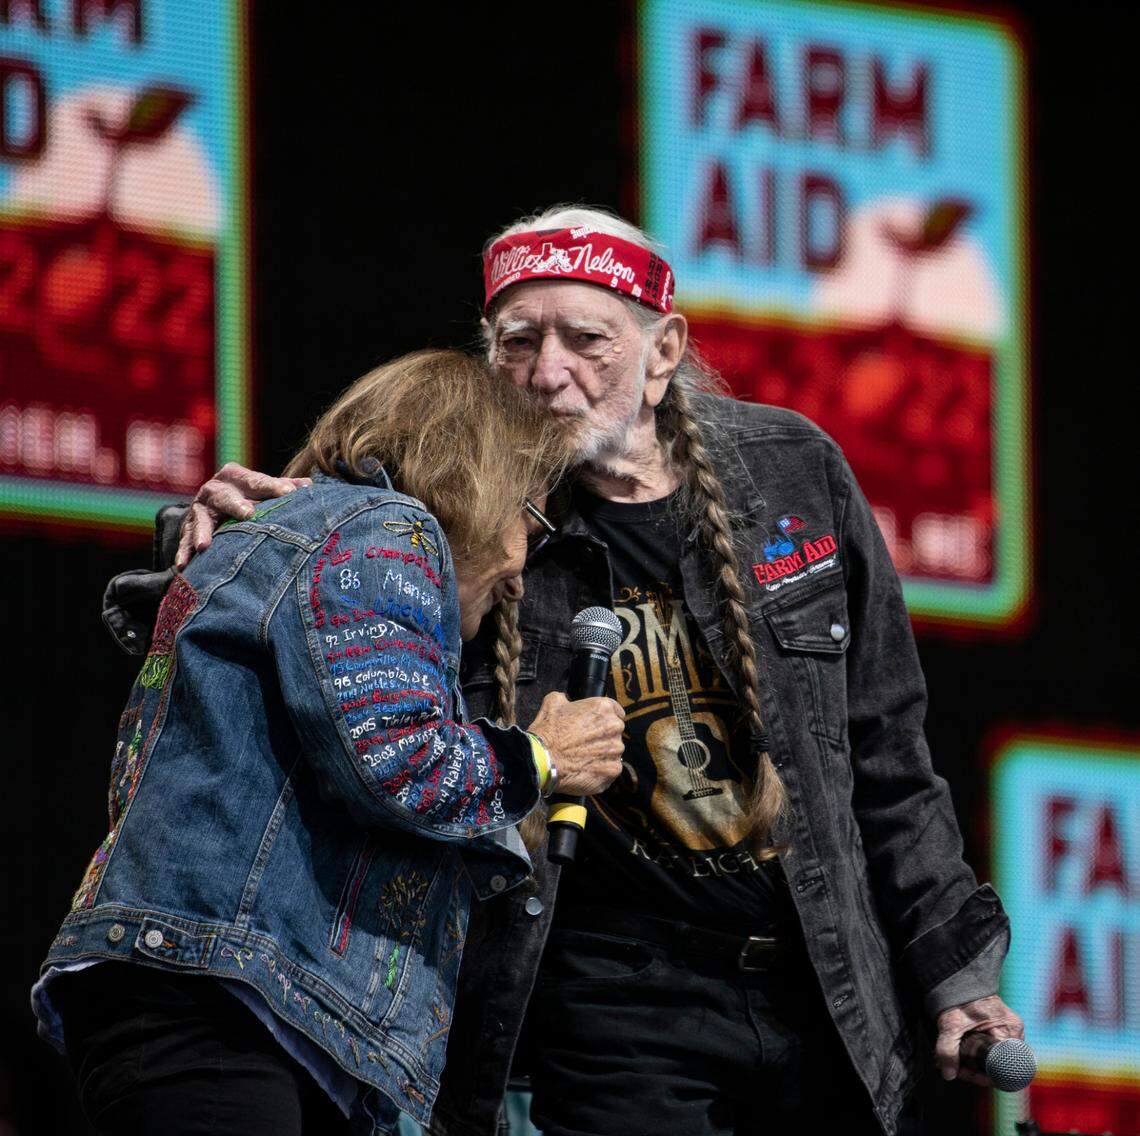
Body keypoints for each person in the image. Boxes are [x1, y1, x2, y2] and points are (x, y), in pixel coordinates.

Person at [104, 207, 1024, 1136]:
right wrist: (215, 523)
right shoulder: (453, 498)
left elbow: (890, 757)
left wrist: (956, 975)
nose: (549, 374)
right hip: (609, 996)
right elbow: (296, 586)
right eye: (518, 343)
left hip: (823, 975)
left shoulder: (793, 472)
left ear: (665, 352)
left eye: (588, 341)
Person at [32, 349, 627, 1136]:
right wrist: (540, 757)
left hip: (207, 1003)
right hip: (224, 1009)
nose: (522, 571)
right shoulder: (387, 530)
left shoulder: (301, 540)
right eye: (530, 514)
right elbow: (401, 763)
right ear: (477, 480)